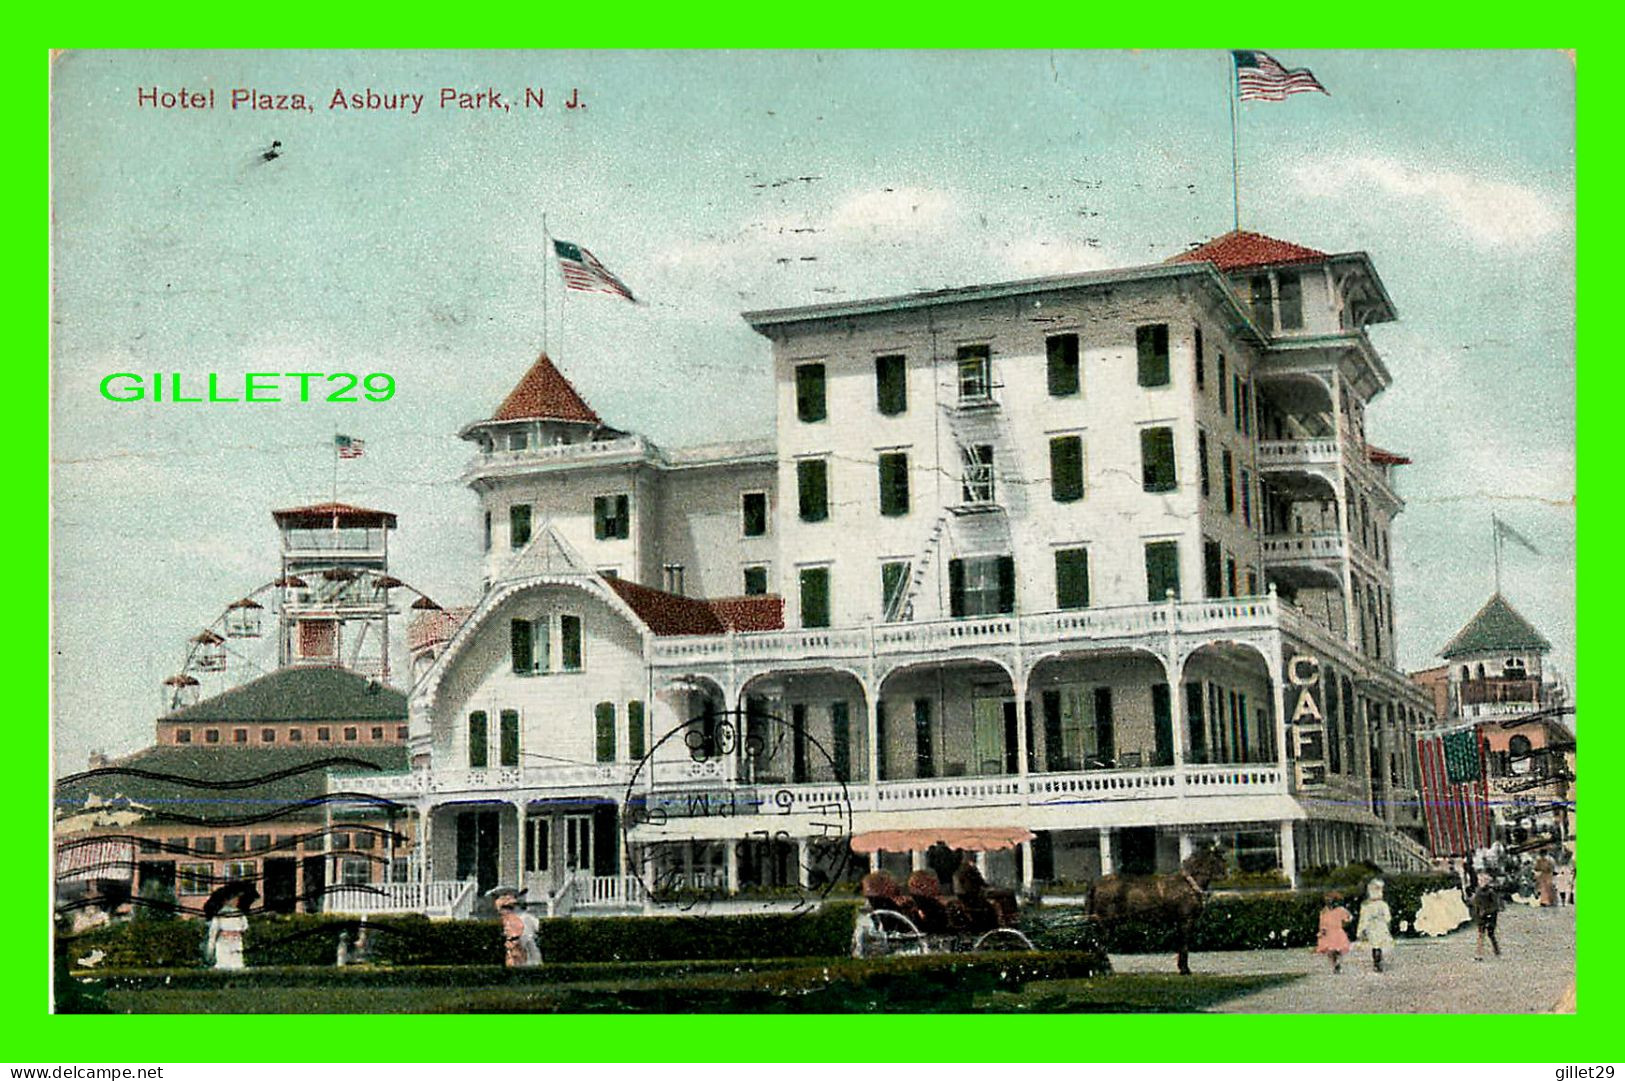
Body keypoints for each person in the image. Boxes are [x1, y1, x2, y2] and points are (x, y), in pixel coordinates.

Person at [1355, 878, 1395, 972]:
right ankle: (1378, 961)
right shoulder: (1383, 905)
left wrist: (1361, 930)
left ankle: (1376, 963)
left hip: (1371, 926)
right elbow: (1388, 918)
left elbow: (1364, 919)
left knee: (1375, 945)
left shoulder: (1366, 905)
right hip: (1381, 926)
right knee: (1379, 945)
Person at [1315, 891, 1353, 974]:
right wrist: (1322, 931)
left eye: (1330, 900)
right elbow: (1322, 922)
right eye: (1327, 900)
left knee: (1338, 949)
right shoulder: (1324, 911)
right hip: (1329, 932)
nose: (1328, 902)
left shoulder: (1340, 910)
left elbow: (1349, 917)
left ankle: (1338, 962)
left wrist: (1345, 923)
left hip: (1337, 931)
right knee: (1330, 950)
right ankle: (1335, 964)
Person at [206, 900, 248, 970]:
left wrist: (236, 932)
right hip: (224, 941)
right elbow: (213, 930)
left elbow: (245, 926)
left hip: (235, 940)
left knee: (236, 961)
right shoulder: (220, 914)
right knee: (223, 960)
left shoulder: (239, 913)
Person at [1471, 872, 1501, 960]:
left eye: (1483, 880)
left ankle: (1496, 949)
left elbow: (1495, 906)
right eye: (1479, 880)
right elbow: (1476, 904)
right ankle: (1479, 954)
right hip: (1481, 916)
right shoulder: (1478, 891)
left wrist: (1488, 912)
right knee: (1481, 934)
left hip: (1490, 916)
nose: (1481, 882)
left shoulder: (1491, 892)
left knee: (1491, 934)